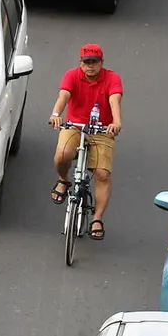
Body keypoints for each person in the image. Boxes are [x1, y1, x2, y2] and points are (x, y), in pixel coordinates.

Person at [48, 44, 123, 240]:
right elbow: (63, 96)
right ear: (80, 63)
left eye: (94, 62)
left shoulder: (112, 78)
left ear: (102, 63)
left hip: (102, 129)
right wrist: (56, 114)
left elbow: (115, 100)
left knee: (102, 174)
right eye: (86, 62)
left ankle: (97, 218)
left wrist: (116, 122)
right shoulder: (71, 75)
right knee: (62, 154)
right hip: (75, 125)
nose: (90, 66)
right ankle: (64, 180)